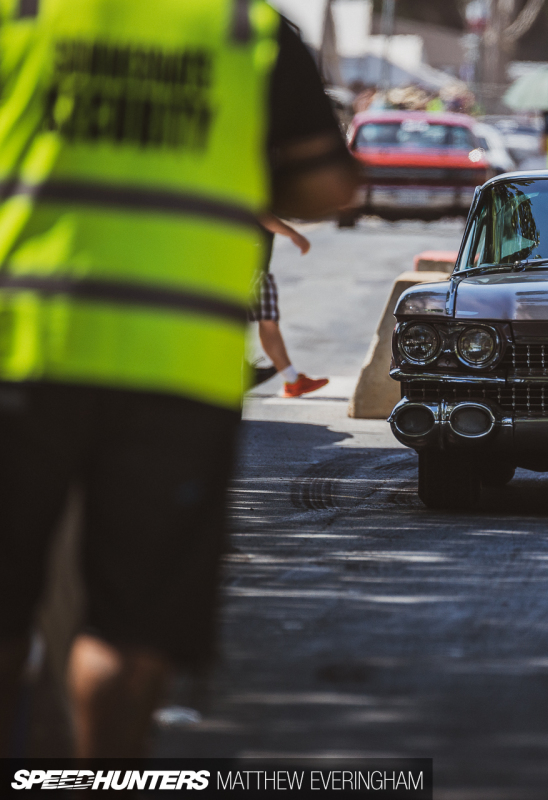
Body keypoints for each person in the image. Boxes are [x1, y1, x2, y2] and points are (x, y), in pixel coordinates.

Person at [0, 3, 358, 759]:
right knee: (131, 630)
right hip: (175, 372)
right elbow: (327, 187)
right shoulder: (246, 30)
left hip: (20, 351)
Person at [252, 215, 330, 397]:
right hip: (251, 268)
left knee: (265, 323)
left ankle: (292, 380)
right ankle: (292, 381)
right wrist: (294, 234)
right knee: (268, 323)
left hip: (236, 265)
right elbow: (261, 215)